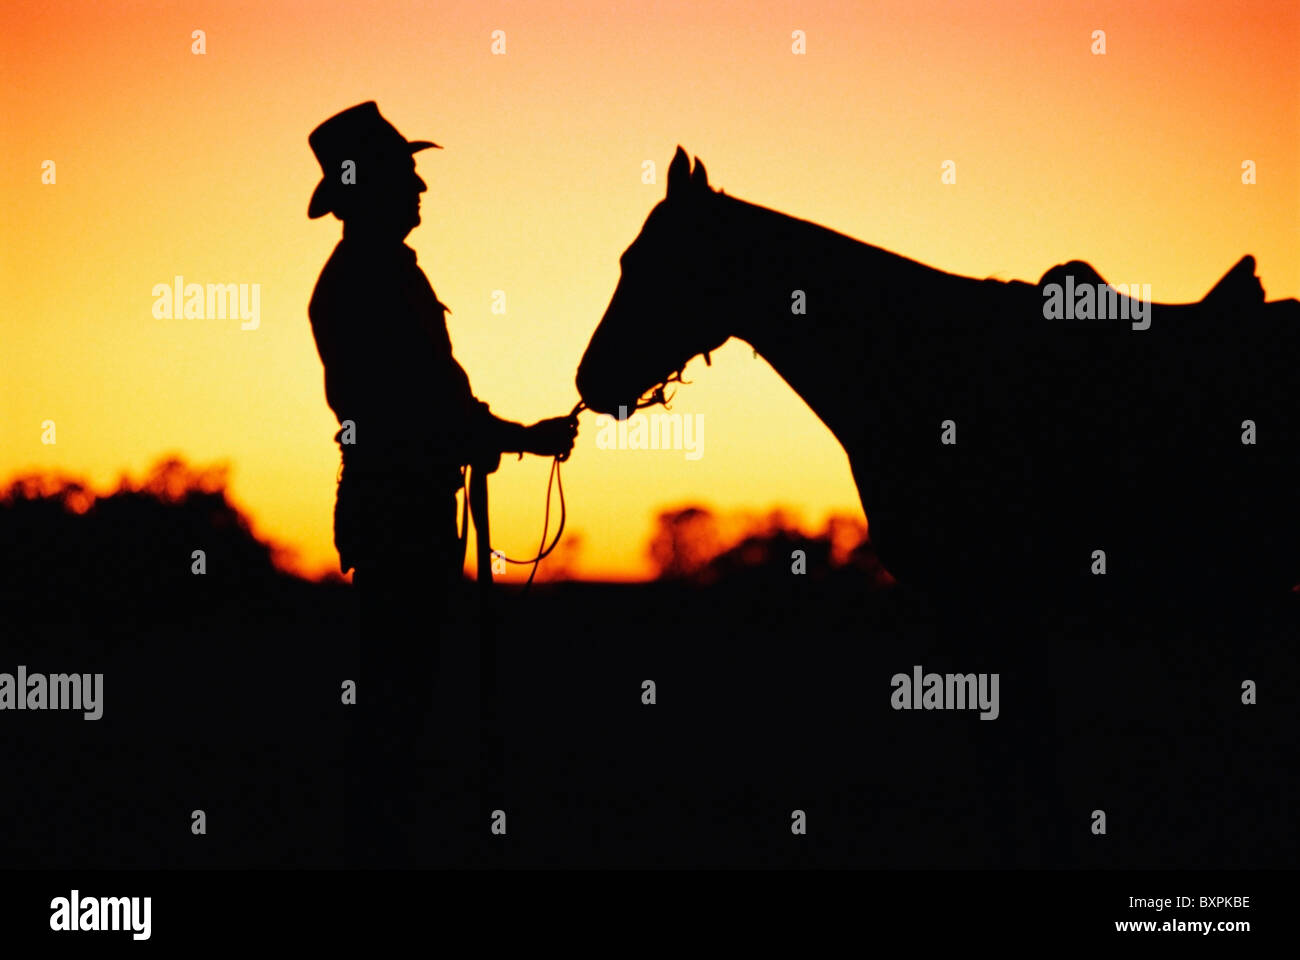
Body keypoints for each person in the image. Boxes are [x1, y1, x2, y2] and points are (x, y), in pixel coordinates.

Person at [305, 101, 576, 865]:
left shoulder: (380, 272)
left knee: (404, 690)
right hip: (400, 507)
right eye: (406, 172)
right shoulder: (369, 279)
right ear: (371, 187)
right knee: (399, 696)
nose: (422, 185)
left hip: (404, 499)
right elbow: (416, 402)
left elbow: (433, 400)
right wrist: (514, 438)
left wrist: (499, 437)